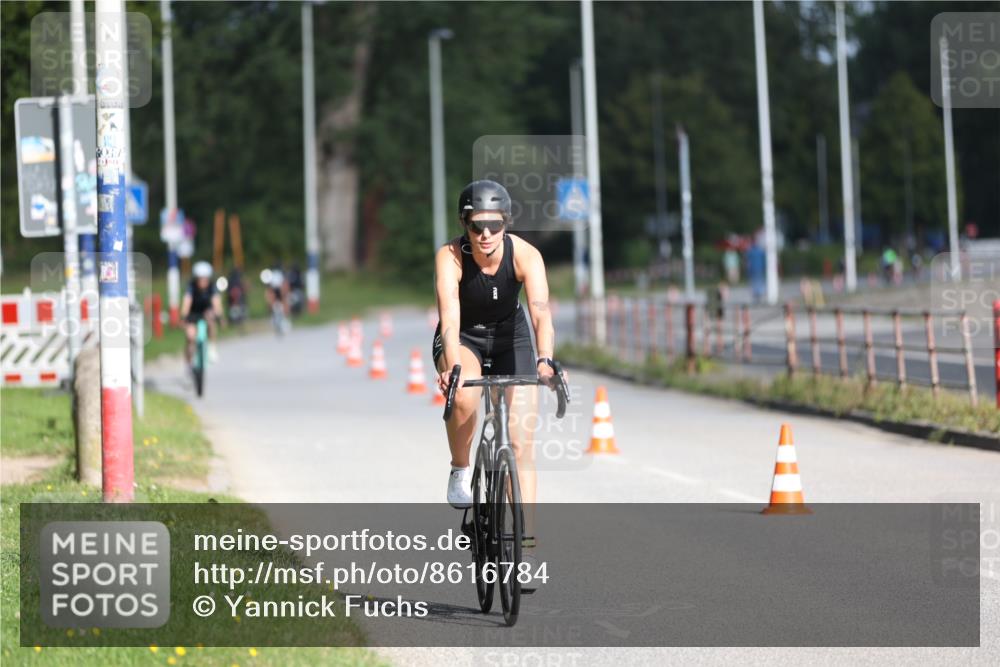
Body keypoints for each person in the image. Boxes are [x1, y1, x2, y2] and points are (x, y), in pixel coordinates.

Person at [433, 180, 557, 532]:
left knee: (520, 444)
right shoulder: (450, 257)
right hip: (463, 337)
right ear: (464, 224)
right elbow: (450, 317)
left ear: (507, 223)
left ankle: (527, 542)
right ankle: (460, 467)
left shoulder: (526, 255)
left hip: (510, 338)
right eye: (476, 225)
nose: (485, 234)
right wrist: (453, 365)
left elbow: (541, 315)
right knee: (464, 397)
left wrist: (545, 359)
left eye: (494, 225)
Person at [181, 261, 223, 364]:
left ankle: (211, 348)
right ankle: (189, 361)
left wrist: (219, 315)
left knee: (211, 320)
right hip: (193, 313)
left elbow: (216, 302)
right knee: (190, 336)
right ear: (196, 279)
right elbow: (187, 302)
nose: (203, 281)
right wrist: (184, 317)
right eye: (201, 279)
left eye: (205, 279)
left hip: (205, 312)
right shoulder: (191, 287)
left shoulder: (212, 287)